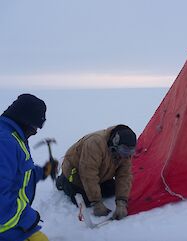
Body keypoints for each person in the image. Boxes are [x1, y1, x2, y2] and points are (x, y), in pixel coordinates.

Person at [0, 94, 56, 241]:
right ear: (23, 119)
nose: (36, 132)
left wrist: (43, 172)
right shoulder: (5, 143)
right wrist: (28, 218)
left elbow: (18, 173)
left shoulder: (14, 136)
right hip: (8, 228)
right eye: (34, 126)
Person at [56, 124, 137, 220]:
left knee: (112, 190)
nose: (127, 155)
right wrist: (97, 203)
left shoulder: (125, 153)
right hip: (76, 173)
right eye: (124, 150)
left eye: (131, 151)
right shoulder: (95, 143)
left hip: (100, 173)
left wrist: (121, 203)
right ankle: (62, 181)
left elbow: (124, 175)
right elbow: (88, 174)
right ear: (115, 142)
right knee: (87, 201)